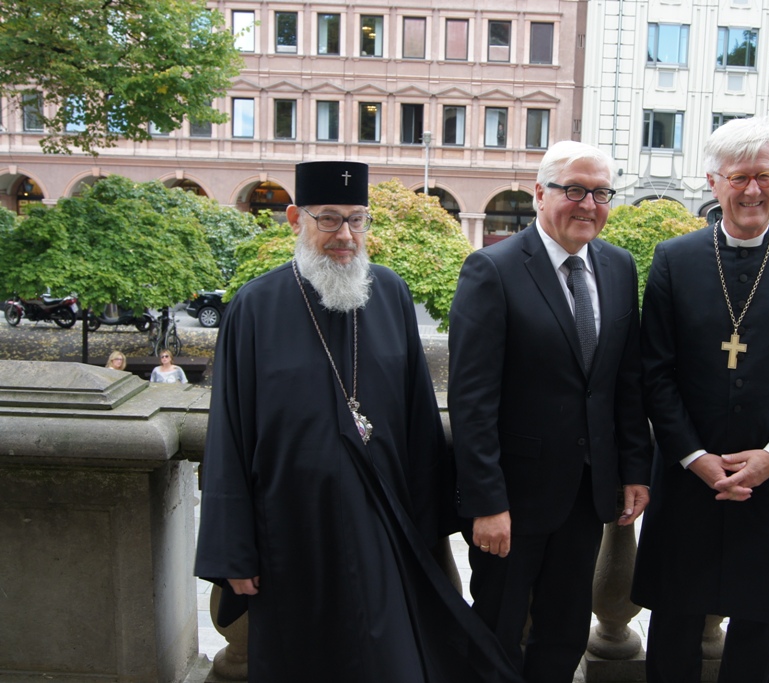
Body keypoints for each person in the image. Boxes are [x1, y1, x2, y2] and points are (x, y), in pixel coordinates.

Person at [194, 160, 522, 683]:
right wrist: (234, 550)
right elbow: (228, 435)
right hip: (291, 529)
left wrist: (431, 527)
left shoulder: (388, 293)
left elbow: (419, 417)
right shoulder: (253, 307)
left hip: (383, 523)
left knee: (393, 658)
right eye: (329, 219)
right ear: (296, 218)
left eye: (357, 219)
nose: (346, 235)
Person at [632, 117, 769, 683]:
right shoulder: (675, 259)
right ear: (713, 181)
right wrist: (692, 456)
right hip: (687, 472)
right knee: (675, 615)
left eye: (766, 176)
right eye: (740, 177)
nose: (753, 191)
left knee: (760, 619)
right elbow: (655, 370)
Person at [448, 140, 652, 683]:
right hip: (511, 501)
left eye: (602, 192)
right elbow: (471, 400)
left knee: (564, 632)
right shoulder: (492, 269)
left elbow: (623, 381)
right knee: (494, 632)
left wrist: (635, 468)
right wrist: (486, 502)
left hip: (586, 495)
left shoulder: (618, 267)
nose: (589, 204)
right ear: (540, 193)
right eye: (575, 190)